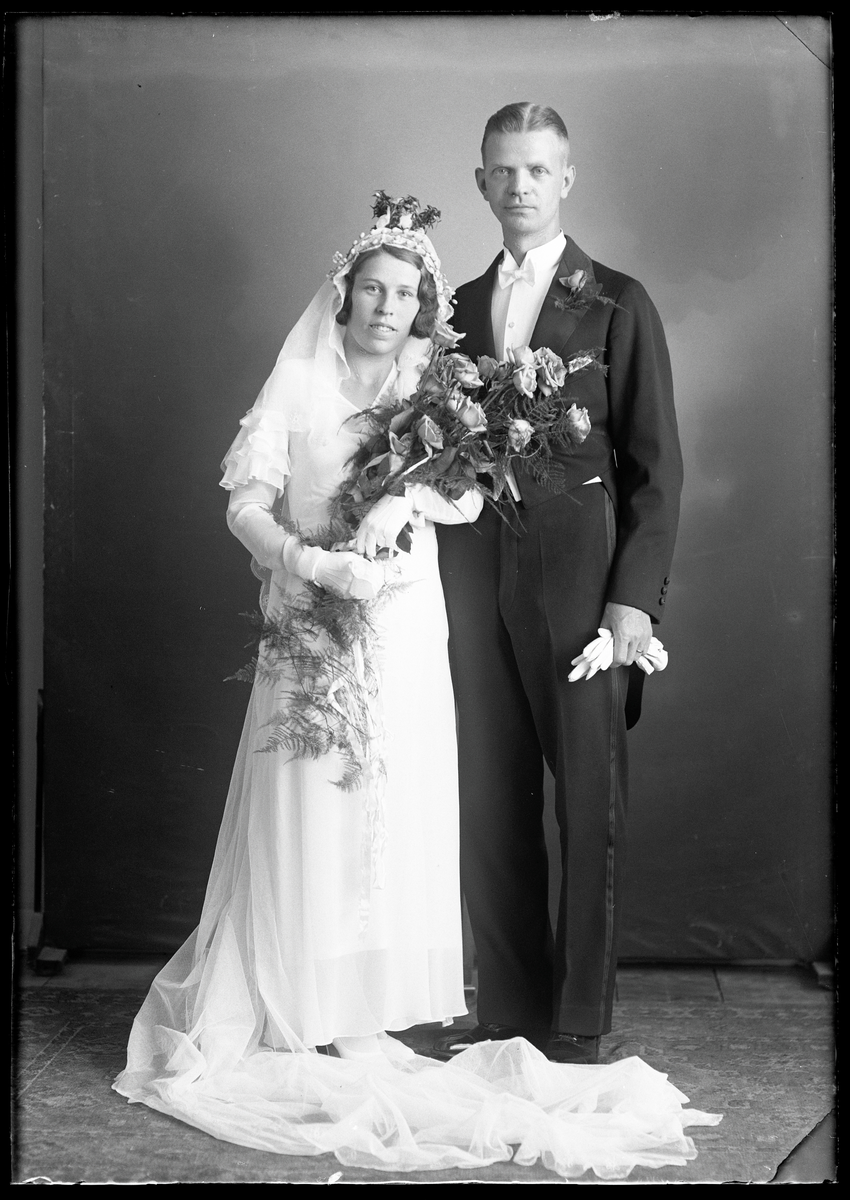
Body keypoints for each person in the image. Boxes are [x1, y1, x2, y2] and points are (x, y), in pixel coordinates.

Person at [113, 194, 717, 1177]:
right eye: (372, 289)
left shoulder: (433, 381)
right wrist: (311, 564)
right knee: (312, 802)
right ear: (344, 293)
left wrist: (405, 500)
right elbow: (247, 502)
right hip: (314, 616)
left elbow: (475, 484)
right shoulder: (302, 380)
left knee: (396, 810)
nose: (387, 307)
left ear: (422, 305)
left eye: (404, 294)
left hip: (404, 626)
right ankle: (305, 1001)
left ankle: (378, 1008)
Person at [434, 103, 684, 1066]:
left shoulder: (617, 301)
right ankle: (507, 1008)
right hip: (471, 578)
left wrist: (633, 602)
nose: (520, 186)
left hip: (582, 586)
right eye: (503, 170)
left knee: (586, 798)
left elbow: (656, 469)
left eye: (538, 169)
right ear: (481, 183)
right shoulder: (455, 308)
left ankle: (579, 1018)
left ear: (567, 179)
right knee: (489, 793)